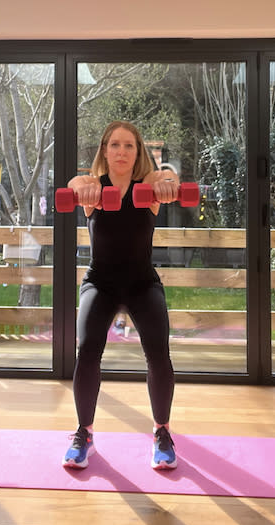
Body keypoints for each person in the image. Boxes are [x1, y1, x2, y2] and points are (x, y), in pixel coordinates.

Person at [62, 120, 182, 471]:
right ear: (104, 150)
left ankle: (162, 432)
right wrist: (79, 188)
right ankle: (84, 434)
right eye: (115, 145)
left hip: (142, 282)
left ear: (138, 151)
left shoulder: (150, 187)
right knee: (87, 352)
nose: (122, 151)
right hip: (100, 282)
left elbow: (166, 179)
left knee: (158, 353)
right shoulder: (92, 188)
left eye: (129, 145)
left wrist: (168, 184)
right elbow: (75, 183)